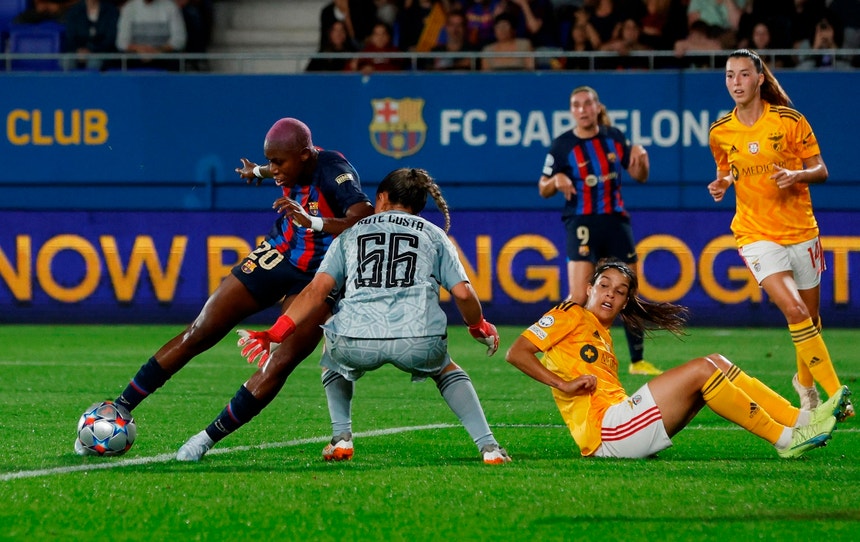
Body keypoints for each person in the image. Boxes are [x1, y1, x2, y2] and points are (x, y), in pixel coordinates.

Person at [74, 118, 374, 457]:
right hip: (277, 253)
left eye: (278, 163)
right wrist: (256, 172)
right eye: (269, 161)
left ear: (306, 155)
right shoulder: (290, 165)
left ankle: (206, 439)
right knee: (200, 331)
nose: (274, 170)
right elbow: (276, 167)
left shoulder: (335, 171)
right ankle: (120, 407)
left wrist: (313, 222)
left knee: (278, 362)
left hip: (319, 277)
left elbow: (364, 218)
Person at [235, 168, 511, 465]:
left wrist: (275, 332)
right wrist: (476, 325)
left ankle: (341, 439)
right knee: (445, 370)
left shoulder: (351, 233)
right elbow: (464, 294)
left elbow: (317, 290)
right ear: (419, 205)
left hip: (355, 340)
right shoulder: (434, 234)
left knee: (332, 354)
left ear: (381, 197)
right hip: (418, 339)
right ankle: (489, 447)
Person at [505, 259, 852, 459]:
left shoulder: (602, 333)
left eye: (620, 291)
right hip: (607, 433)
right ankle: (786, 440)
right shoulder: (569, 314)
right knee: (703, 368)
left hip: (623, 424)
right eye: (604, 286)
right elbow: (516, 352)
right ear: (589, 289)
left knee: (717, 361)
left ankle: (803, 418)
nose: (611, 294)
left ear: (625, 302)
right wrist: (563, 383)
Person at [707, 49, 852, 414]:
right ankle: (836, 395)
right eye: (729, 75)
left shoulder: (789, 120)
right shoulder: (720, 131)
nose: (735, 82)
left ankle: (804, 383)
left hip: (801, 229)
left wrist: (797, 175)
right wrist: (723, 183)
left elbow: (820, 170)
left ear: (759, 79)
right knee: (793, 308)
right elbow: (728, 168)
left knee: (810, 317)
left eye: (742, 75)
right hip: (755, 232)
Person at [538, 86, 660, 376]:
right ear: (572, 112)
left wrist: (643, 161)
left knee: (629, 290)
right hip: (581, 222)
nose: (582, 110)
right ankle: (548, 347)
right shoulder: (562, 146)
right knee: (579, 294)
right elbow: (543, 188)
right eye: (576, 105)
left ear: (596, 107)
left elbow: (640, 176)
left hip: (615, 221)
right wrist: (556, 180)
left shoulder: (613, 137)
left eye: (587, 104)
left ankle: (638, 361)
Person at [115, 0, 187, 71]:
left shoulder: (171, 7)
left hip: (163, 54)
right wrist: (139, 49)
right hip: (137, 55)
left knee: (176, 60)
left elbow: (179, 40)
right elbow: (122, 43)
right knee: (117, 61)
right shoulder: (129, 7)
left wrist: (157, 50)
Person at [62, 0, 120, 71]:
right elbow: (70, 37)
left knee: (94, 62)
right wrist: (78, 51)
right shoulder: (74, 12)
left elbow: (111, 38)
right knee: (67, 60)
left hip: (102, 52)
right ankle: (70, 82)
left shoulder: (111, 11)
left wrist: (91, 50)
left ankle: (91, 82)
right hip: (77, 52)